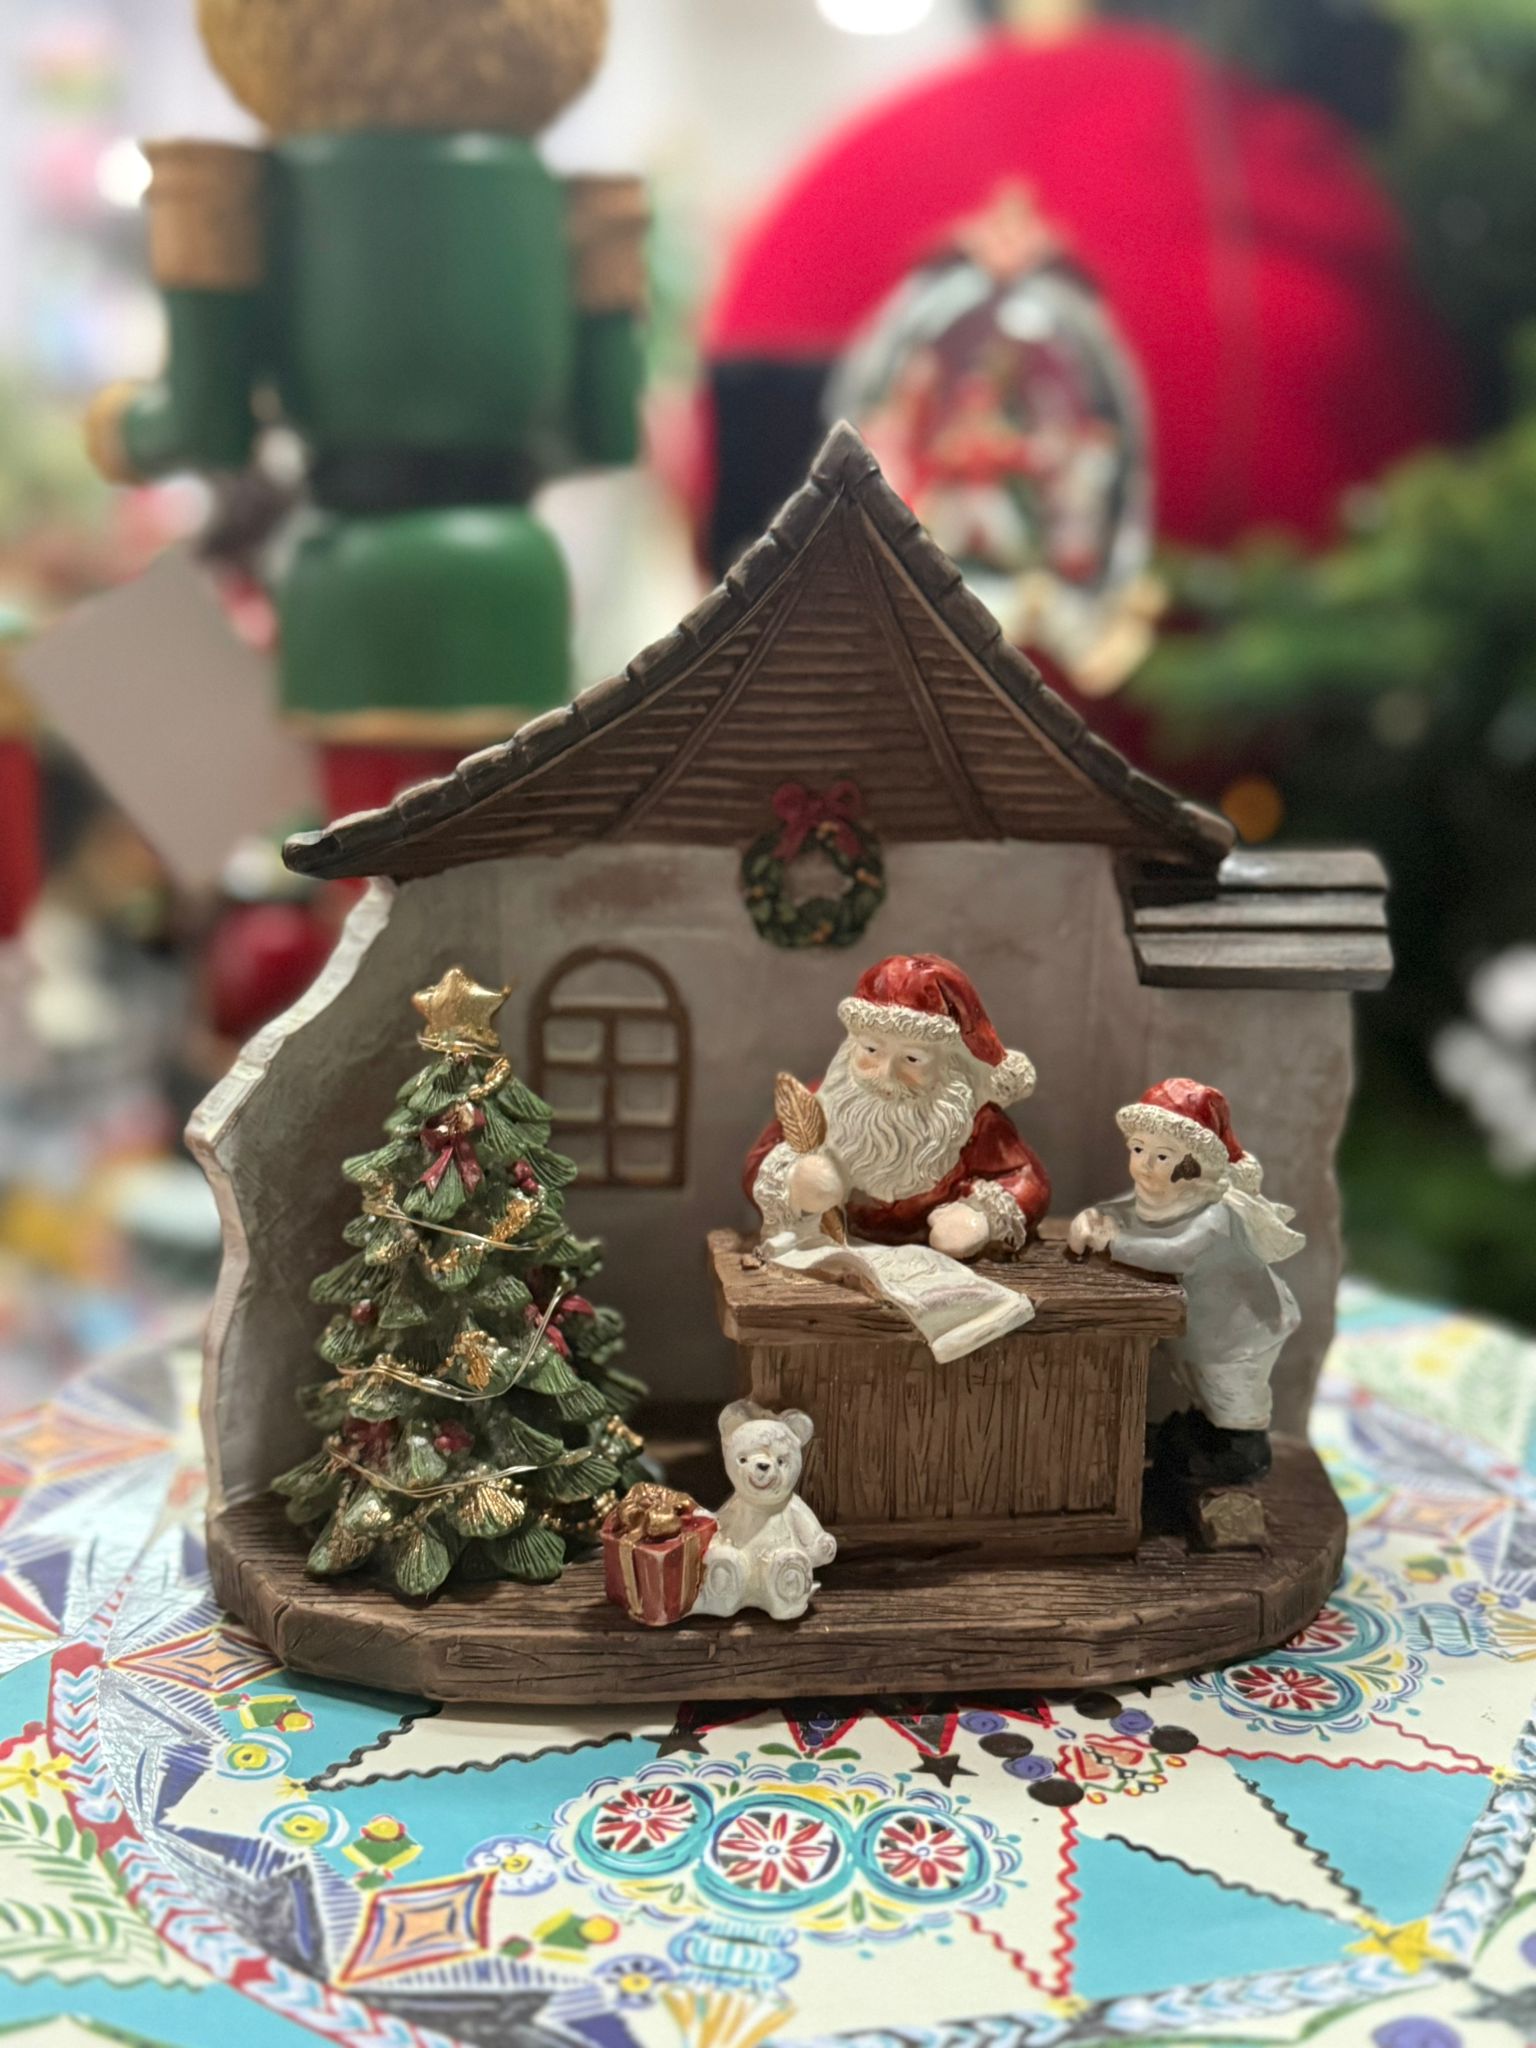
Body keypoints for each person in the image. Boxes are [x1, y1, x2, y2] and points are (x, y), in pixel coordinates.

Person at [1069, 1078, 1305, 1484]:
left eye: (1161, 1156)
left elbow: (1176, 1253)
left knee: (1231, 1395)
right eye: (1138, 1150)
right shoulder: (1158, 1196)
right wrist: (1094, 1218)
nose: (1144, 1165)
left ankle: (1243, 1453)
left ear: (1192, 1166)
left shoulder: (1215, 1214)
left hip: (1239, 1331)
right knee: (1201, 1389)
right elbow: (1124, 1211)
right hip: (1199, 1330)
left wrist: (1112, 1242)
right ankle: (1200, 1436)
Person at [745, 952, 1049, 1258]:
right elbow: (758, 1163)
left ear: (949, 1064)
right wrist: (796, 1180)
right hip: (840, 1258)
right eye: (871, 1050)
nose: (886, 1074)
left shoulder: (976, 1123)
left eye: (912, 1059)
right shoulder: (818, 1105)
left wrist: (979, 1218)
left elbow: (1027, 1181)